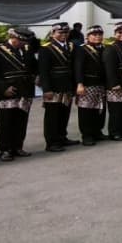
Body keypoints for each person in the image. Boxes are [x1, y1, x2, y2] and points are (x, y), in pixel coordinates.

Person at [0, 27, 36, 160]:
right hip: (8, 90)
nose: (25, 43)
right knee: (6, 121)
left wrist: (37, 76)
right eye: (22, 41)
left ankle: (18, 146)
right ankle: (5, 149)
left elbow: (33, 66)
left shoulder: (27, 49)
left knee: (21, 120)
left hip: (25, 89)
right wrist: (3, 88)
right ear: (14, 38)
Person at [37, 21, 77, 151]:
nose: (63, 34)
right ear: (53, 33)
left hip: (67, 85)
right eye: (60, 32)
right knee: (52, 116)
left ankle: (62, 137)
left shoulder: (71, 46)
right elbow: (43, 71)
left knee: (64, 113)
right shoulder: (46, 48)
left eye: (66, 32)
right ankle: (51, 142)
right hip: (53, 87)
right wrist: (46, 89)